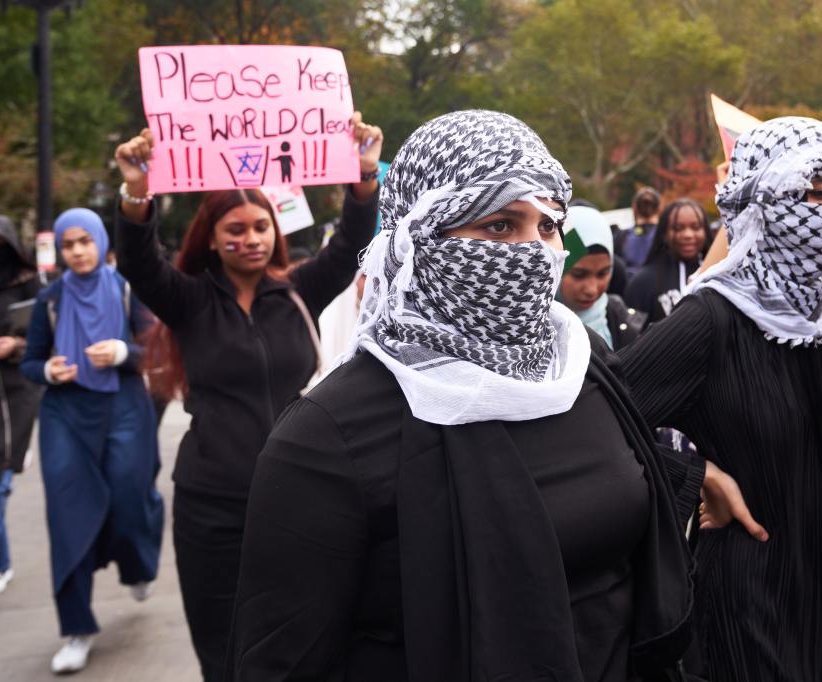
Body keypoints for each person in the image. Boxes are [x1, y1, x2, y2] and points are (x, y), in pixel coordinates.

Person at [226, 110, 760, 681]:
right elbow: (282, 660)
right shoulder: (329, 434)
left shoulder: (580, 362)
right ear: (421, 240)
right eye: (501, 226)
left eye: (548, 225)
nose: (534, 251)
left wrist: (696, 471)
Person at [618, 116, 822, 681]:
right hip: (752, 609)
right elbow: (604, 421)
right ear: (762, 203)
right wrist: (697, 475)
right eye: (818, 193)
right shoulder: (710, 318)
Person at [113, 113, 382, 682]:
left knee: (301, 638)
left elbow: (353, 242)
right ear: (210, 236)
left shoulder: (299, 291)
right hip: (212, 506)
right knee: (222, 644)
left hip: (300, 496)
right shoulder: (186, 300)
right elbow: (139, 261)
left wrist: (361, 176)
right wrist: (137, 193)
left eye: (261, 226)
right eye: (235, 228)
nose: (251, 239)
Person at [20, 208, 163, 674]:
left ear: (100, 241)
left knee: (129, 495)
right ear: (59, 250)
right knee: (67, 516)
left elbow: (156, 351)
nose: (78, 251)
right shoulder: (50, 299)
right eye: (68, 244)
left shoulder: (125, 288)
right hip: (66, 413)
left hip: (123, 407)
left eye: (85, 241)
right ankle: (77, 628)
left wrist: (124, 352)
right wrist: (46, 370)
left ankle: (138, 565)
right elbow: (31, 360)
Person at [0, 215, 43, 596]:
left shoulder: (28, 283)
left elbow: (48, 339)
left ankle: (0, 563)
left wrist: (16, 346)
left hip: (18, 390)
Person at [559, 204, 646, 349]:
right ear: (557, 268)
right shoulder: (529, 330)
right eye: (579, 275)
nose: (592, 290)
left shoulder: (620, 319)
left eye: (603, 273)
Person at [624, 199, 711, 322]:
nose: (688, 235)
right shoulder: (642, 282)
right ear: (664, 233)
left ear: (705, 231)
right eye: (678, 228)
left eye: (695, 227)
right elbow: (632, 334)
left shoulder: (716, 275)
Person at [615, 186, 661, 277]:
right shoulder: (668, 236)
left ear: (634, 208)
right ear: (659, 208)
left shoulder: (621, 236)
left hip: (627, 287)